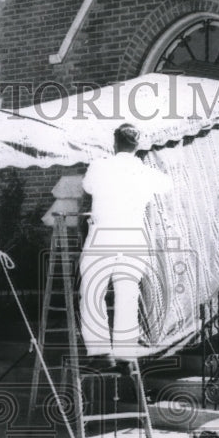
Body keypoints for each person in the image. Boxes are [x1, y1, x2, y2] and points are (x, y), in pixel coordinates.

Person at [79, 123, 172, 362]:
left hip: (104, 235)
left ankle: (99, 351)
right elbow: (166, 185)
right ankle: (124, 352)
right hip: (132, 237)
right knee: (127, 293)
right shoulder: (145, 172)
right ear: (137, 146)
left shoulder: (100, 166)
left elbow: (87, 186)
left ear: (114, 143)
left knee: (92, 291)